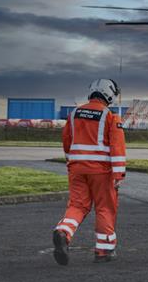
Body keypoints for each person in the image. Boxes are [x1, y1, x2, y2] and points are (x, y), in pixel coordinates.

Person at [53, 79, 126, 265]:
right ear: (109, 94)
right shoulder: (110, 117)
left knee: (77, 205)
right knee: (105, 208)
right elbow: (117, 148)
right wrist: (119, 174)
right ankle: (104, 251)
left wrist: (72, 160)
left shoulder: (74, 113)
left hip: (77, 168)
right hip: (101, 171)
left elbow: (67, 141)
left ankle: (64, 231)